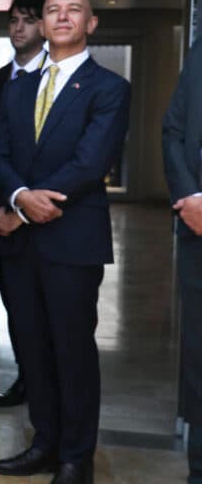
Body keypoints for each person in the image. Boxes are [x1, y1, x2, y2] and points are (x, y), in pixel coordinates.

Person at [0, 0, 130, 484]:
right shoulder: (19, 87)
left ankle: (76, 458)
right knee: (32, 347)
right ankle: (43, 443)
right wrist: (20, 194)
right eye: (53, 10)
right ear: (43, 24)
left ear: (91, 24)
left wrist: (22, 209)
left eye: (74, 10)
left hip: (72, 243)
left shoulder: (109, 88)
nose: (62, 17)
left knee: (71, 351)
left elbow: (90, 164)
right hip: (21, 246)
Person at [0, 0, 47, 409]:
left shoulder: (52, 80)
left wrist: (21, 210)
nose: (18, 27)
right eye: (13, 20)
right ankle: (28, 381)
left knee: (50, 321)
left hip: (48, 218)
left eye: (27, 19)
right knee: (18, 313)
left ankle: (43, 389)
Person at [162, 39, 202, 484]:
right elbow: (173, 131)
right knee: (198, 359)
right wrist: (191, 197)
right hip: (197, 230)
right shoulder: (200, 50)